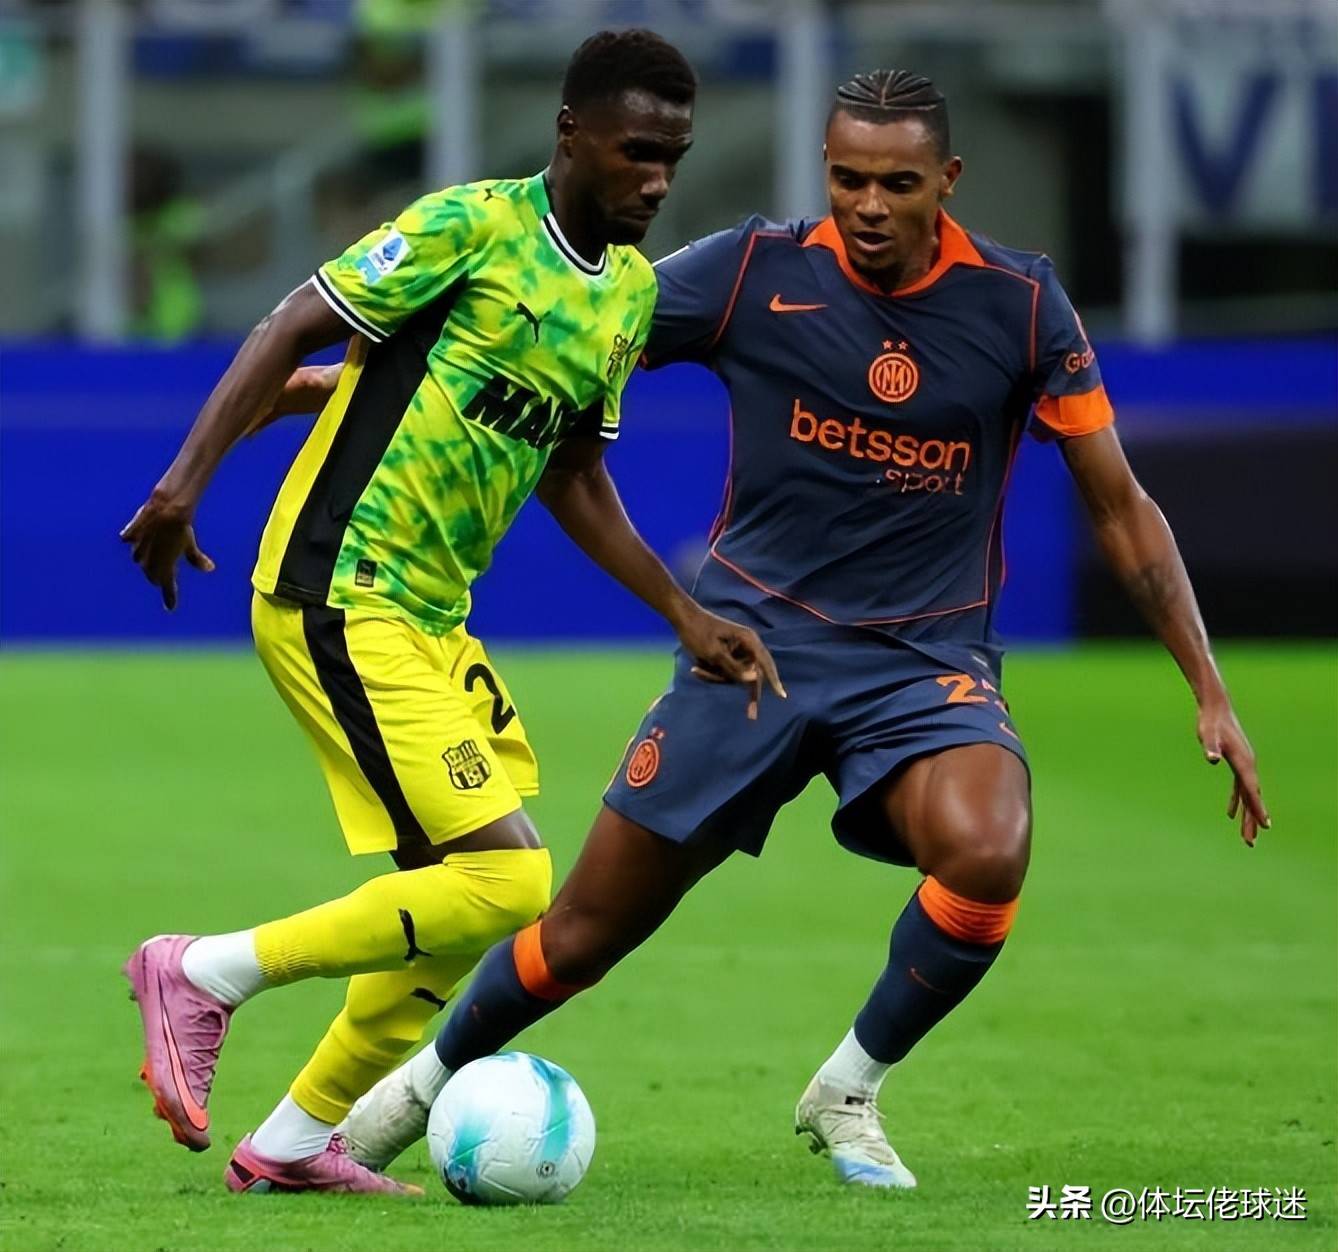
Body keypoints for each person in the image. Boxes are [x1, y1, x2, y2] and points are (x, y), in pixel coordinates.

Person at [329, 69, 1270, 1191]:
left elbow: (1120, 507)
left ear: (948, 180)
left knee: (989, 850)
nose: (867, 205)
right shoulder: (752, 272)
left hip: (924, 665)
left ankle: (849, 1088)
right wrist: (340, 383)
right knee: (583, 932)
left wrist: (1209, 689)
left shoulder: (1021, 305)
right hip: (751, 653)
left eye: (897, 184)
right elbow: (555, 333)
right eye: (847, 179)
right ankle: (410, 1093)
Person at [118, 29, 779, 1198]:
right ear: (571, 133)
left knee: (461, 902)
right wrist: (183, 483)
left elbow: (573, 472)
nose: (657, 181)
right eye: (636, 152)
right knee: (511, 885)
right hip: (339, 585)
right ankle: (203, 971)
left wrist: (683, 613)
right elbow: (296, 322)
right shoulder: (468, 226)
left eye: (673, 158)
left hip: (433, 617)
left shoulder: (627, 295)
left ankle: (291, 1143)